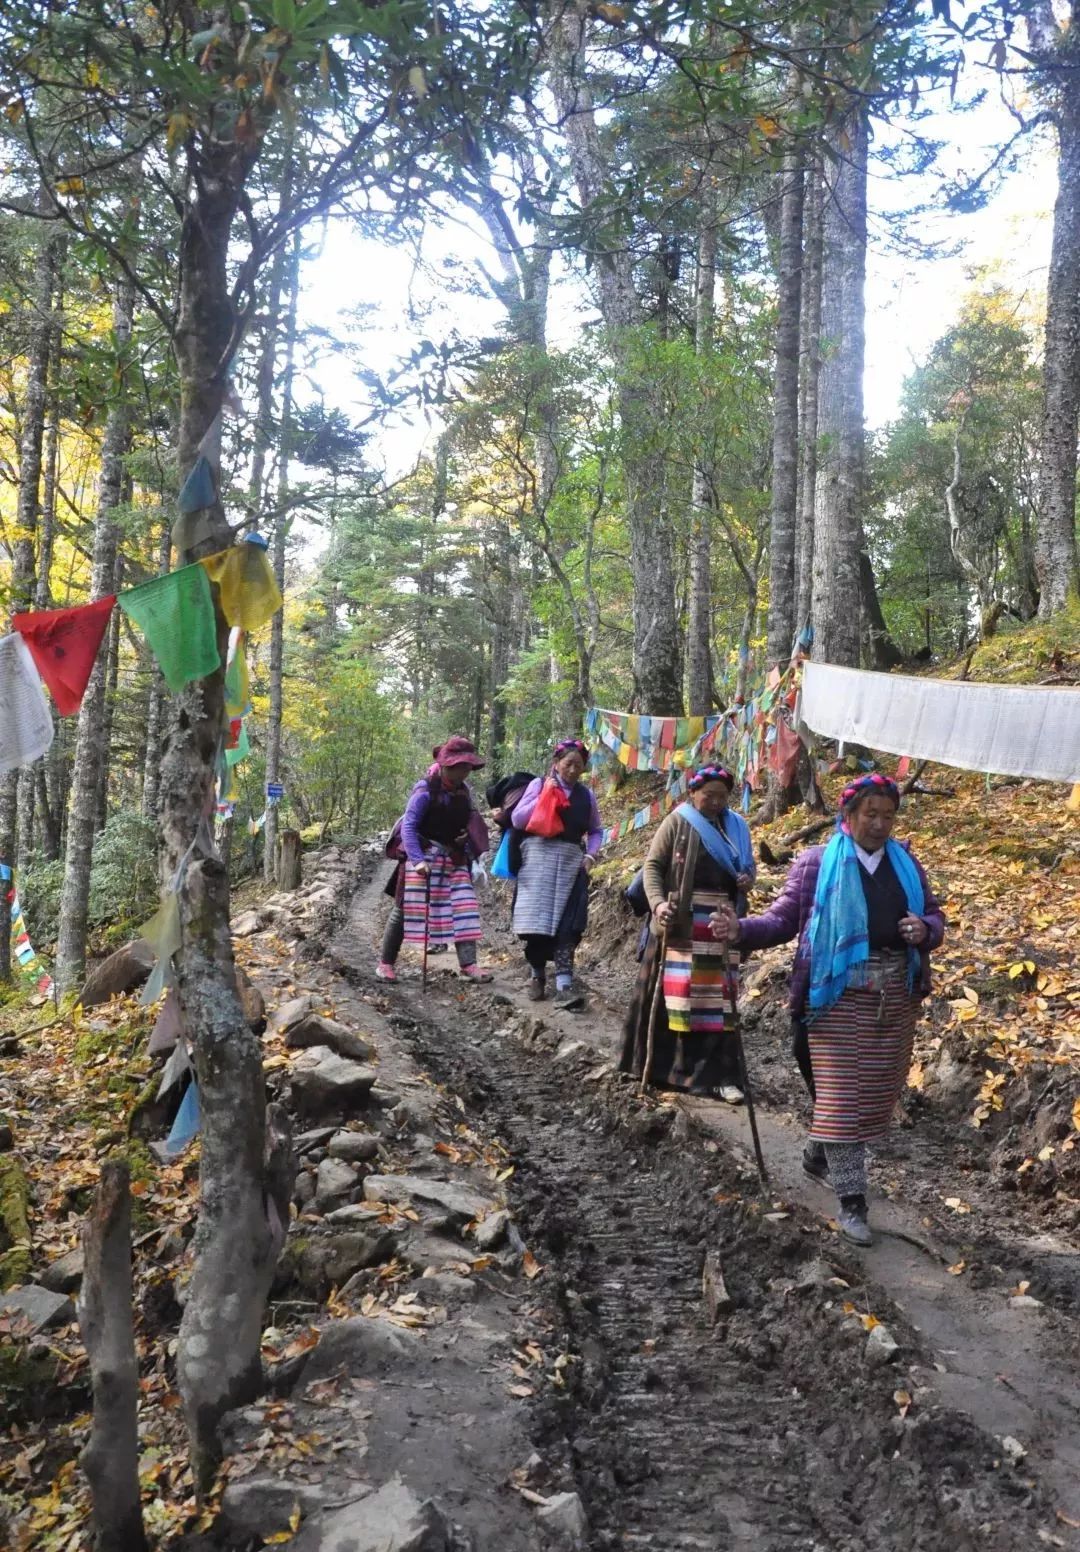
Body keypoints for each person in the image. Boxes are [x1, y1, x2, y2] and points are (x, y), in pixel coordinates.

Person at [711, 771, 945, 1247]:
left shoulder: (905, 865)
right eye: (869, 815)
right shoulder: (817, 863)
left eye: (888, 816)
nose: (879, 825)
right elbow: (781, 920)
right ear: (848, 815)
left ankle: (819, 1153)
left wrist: (925, 929)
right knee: (842, 1099)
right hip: (832, 999)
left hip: (893, 1000)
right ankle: (852, 1201)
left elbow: (936, 915)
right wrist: (740, 930)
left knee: (872, 1096)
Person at [619, 765, 755, 1103]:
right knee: (675, 999)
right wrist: (657, 904)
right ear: (692, 793)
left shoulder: (736, 827)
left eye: (722, 797)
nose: (714, 802)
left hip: (720, 923)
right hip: (677, 921)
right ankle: (669, 1072)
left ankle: (720, 1077)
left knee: (717, 1003)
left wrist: (747, 880)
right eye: (708, 796)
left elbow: (748, 868)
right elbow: (653, 866)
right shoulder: (677, 821)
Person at [378, 736, 492, 983]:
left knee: (465, 906)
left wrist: (467, 839)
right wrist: (418, 860)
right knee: (405, 909)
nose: (465, 771)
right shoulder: (424, 791)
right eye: (461, 766)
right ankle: (385, 964)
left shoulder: (464, 793)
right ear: (446, 765)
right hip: (421, 854)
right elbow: (409, 827)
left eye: (467, 767)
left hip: (453, 856)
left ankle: (469, 965)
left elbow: (470, 821)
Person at [511, 739, 604, 1009]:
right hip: (537, 860)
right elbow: (518, 819)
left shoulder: (586, 796)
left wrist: (590, 855)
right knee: (536, 926)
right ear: (556, 763)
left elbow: (596, 830)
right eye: (568, 764)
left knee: (568, 924)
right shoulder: (538, 786)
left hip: (570, 863)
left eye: (579, 765)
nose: (573, 770)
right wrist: (545, 796)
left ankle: (564, 985)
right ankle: (537, 975)